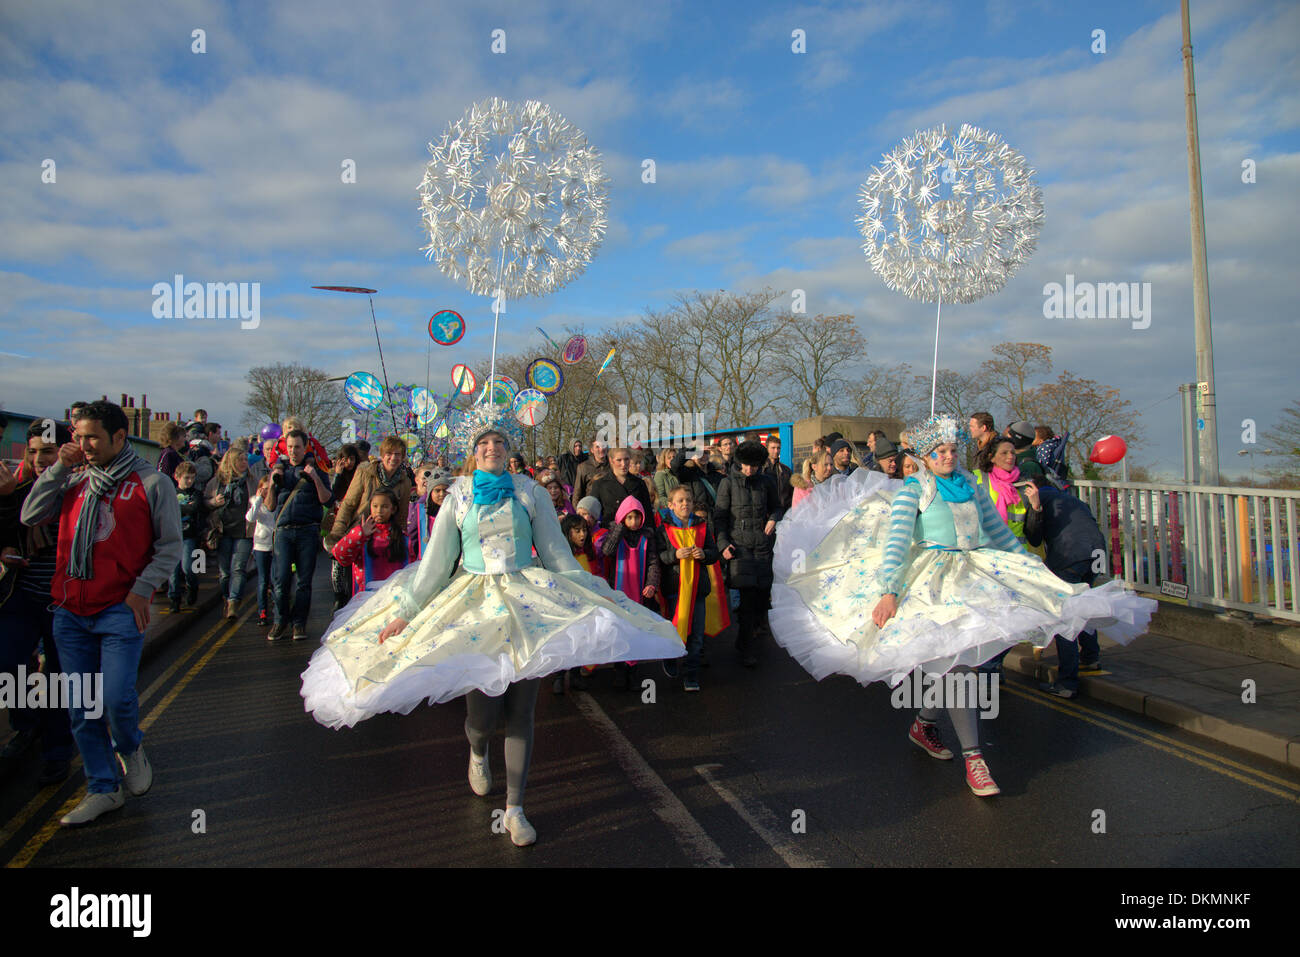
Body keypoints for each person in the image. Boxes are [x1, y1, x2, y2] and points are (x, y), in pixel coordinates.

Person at [300, 406, 683, 847]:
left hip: (527, 601)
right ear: (473, 452)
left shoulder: (530, 493)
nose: (492, 449)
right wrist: (406, 611)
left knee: (522, 711)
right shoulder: (459, 495)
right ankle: (477, 750)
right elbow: (437, 563)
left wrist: (596, 593)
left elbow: (557, 554)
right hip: (473, 604)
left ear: (508, 449)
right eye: (483, 443)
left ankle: (516, 807)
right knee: (482, 717)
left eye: (499, 442)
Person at [769, 413, 1155, 797]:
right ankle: (975, 758)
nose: (949, 456)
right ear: (925, 456)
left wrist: (1029, 566)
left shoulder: (970, 486)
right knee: (957, 664)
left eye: (953, 449)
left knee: (958, 662)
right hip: (932, 582)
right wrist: (889, 591)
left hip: (975, 574)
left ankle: (925, 723)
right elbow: (897, 544)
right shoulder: (914, 490)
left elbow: (998, 533)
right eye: (940, 450)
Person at [20, 399, 182, 825]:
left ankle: (129, 746)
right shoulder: (72, 479)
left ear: (119, 437)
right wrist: (57, 469)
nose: (83, 444)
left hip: (119, 609)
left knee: (114, 699)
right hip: (69, 610)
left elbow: (170, 547)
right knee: (80, 708)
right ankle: (103, 788)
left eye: (91, 437)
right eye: (78, 436)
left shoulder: (152, 483)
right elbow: (30, 515)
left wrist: (142, 591)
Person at [0, 419, 76, 787]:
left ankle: (58, 750)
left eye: (47, 451)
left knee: (59, 677)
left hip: (66, 601)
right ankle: (25, 725)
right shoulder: (18, 487)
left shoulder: (81, 487)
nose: (39, 459)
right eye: (32, 452)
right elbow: (9, 527)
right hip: (24, 593)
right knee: (8, 662)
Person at [1025, 477, 1110, 698]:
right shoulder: (1072, 499)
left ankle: (1067, 683)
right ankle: (1091, 657)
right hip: (1096, 552)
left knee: (1065, 617)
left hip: (1070, 555)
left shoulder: (1040, 498)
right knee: (1083, 607)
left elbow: (1033, 537)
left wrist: (1034, 509)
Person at [715, 441, 781, 667]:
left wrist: (773, 518)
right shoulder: (727, 484)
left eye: (754, 465)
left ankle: (746, 641)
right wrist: (723, 544)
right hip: (739, 546)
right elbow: (720, 517)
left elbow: (777, 507)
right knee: (747, 599)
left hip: (762, 545)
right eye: (746, 465)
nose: (749, 470)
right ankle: (746, 646)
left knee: (762, 596)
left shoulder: (767, 482)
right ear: (739, 462)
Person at [267, 430, 333, 641]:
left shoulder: (316, 469)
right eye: (290, 447)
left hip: (307, 530)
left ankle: (299, 624)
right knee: (281, 580)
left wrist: (314, 478)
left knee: (304, 582)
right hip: (284, 531)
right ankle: (280, 620)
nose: (294, 451)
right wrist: (271, 484)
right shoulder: (280, 470)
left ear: (305, 447)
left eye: (298, 446)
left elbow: (327, 500)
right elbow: (269, 506)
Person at [656, 485, 720, 692]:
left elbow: (713, 552)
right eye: (681, 501)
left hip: (698, 589)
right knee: (676, 630)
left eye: (688, 500)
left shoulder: (701, 526)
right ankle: (670, 658)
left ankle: (691, 675)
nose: (685, 504)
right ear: (671, 505)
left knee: (696, 635)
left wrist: (704, 554)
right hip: (675, 587)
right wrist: (674, 555)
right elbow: (658, 556)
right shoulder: (663, 528)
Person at [327, 436, 411, 550]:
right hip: (360, 531)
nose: (393, 458)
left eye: (398, 454)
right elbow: (348, 504)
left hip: (386, 537)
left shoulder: (405, 482)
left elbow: (402, 514)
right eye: (389, 453)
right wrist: (337, 533)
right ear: (382, 455)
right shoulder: (366, 472)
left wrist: (401, 540)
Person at [206, 443, 257, 619]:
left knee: (239, 568)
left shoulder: (251, 481)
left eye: (245, 459)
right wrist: (213, 502)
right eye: (240, 459)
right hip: (223, 532)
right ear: (231, 462)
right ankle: (227, 598)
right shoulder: (217, 483)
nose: (244, 462)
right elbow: (205, 502)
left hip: (244, 532)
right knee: (225, 572)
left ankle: (234, 602)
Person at [331, 489, 408, 597]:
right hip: (366, 597)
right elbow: (340, 555)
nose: (379, 511)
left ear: (393, 509)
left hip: (394, 596)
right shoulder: (361, 535)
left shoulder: (402, 537)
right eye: (375, 506)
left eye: (385, 506)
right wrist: (360, 534)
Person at [168, 462, 205, 613]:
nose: (189, 481)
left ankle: (192, 586)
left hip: (189, 536)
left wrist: (178, 508)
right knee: (172, 571)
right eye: (186, 478)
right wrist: (185, 507)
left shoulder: (196, 494)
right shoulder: (171, 492)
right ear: (177, 477)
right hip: (172, 536)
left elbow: (195, 507)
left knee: (188, 567)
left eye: (192, 478)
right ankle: (174, 599)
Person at [590, 448, 653, 532]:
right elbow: (593, 515)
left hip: (636, 537)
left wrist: (651, 535)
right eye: (619, 460)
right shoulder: (600, 485)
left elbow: (648, 515)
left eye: (626, 459)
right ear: (611, 460)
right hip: (609, 536)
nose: (623, 464)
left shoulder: (639, 484)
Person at [246, 475, 276, 628]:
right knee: (263, 580)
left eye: (268, 489)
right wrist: (258, 500)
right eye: (264, 489)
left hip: (276, 544)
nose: (266, 492)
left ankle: (278, 608)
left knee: (276, 579)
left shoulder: (277, 500)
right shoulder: (254, 501)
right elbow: (250, 518)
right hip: (261, 546)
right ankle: (262, 611)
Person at [571, 439, 609, 506]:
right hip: (591, 509)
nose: (601, 449)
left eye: (603, 446)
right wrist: (579, 513)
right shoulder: (583, 467)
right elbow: (577, 494)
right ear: (592, 450)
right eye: (597, 447)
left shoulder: (614, 464)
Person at [761, 435, 793, 511]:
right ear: (767, 449)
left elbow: (791, 493)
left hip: (783, 512)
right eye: (773, 448)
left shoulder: (786, 470)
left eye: (778, 448)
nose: (776, 451)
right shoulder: (760, 469)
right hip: (766, 513)